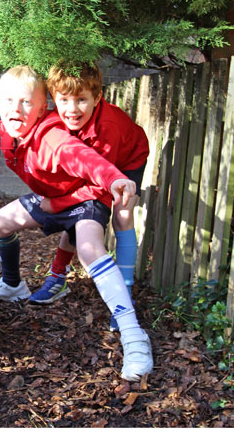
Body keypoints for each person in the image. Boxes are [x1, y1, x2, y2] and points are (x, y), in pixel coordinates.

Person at [0, 66, 154, 380]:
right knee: (0, 223)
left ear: (42, 108)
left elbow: (84, 159)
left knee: (90, 246)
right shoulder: (10, 131)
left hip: (90, 192)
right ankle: (11, 284)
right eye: (7, 100)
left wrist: (114, 178)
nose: (15, 109)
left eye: (26, 102)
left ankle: (133, 332)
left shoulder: (54, 138)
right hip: (63, 192)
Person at [28, 63, 149, 329]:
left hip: (126, 159)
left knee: (122, 214)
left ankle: (125, 296)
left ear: (97, 97)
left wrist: (57, 203)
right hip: (95, 164)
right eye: (64, 100)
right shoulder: (59, 121)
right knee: (79, 214)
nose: (72, 109)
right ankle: (58, 276)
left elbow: (98, 189)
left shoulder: (109, 127)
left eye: (81, 100)